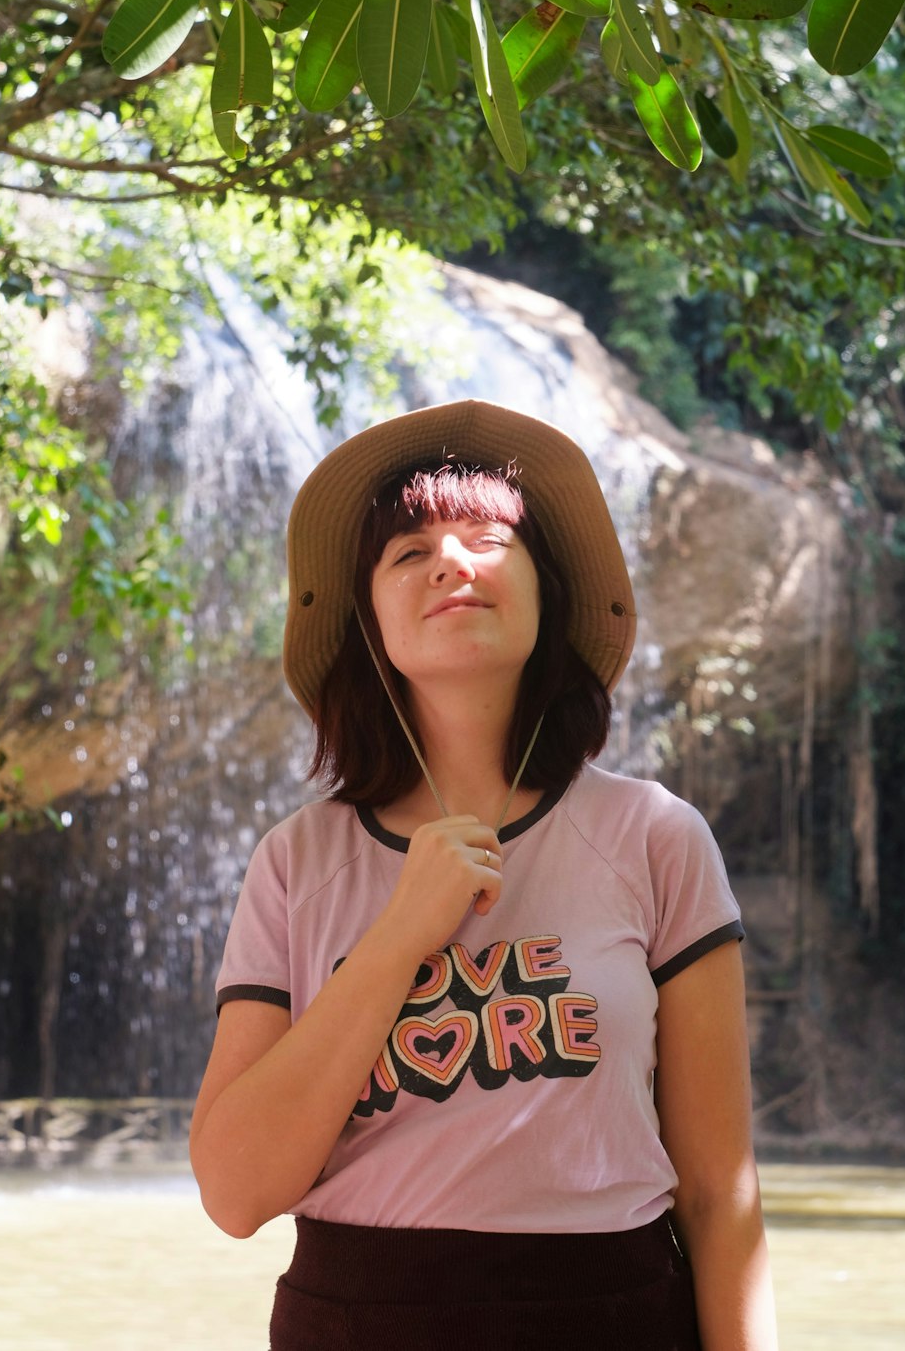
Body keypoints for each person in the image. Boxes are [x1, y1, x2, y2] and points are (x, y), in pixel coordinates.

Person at [190, 399, 778, 1350]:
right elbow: (233, 1193)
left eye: (488, 537)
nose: (452, 562)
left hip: (612, 1316)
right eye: (408, 554)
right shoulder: (298, 862)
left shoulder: (654, 836)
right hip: (358, 1323)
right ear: (371, 622)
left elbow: (720, 1194)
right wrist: (396, 940)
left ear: (546, 593)